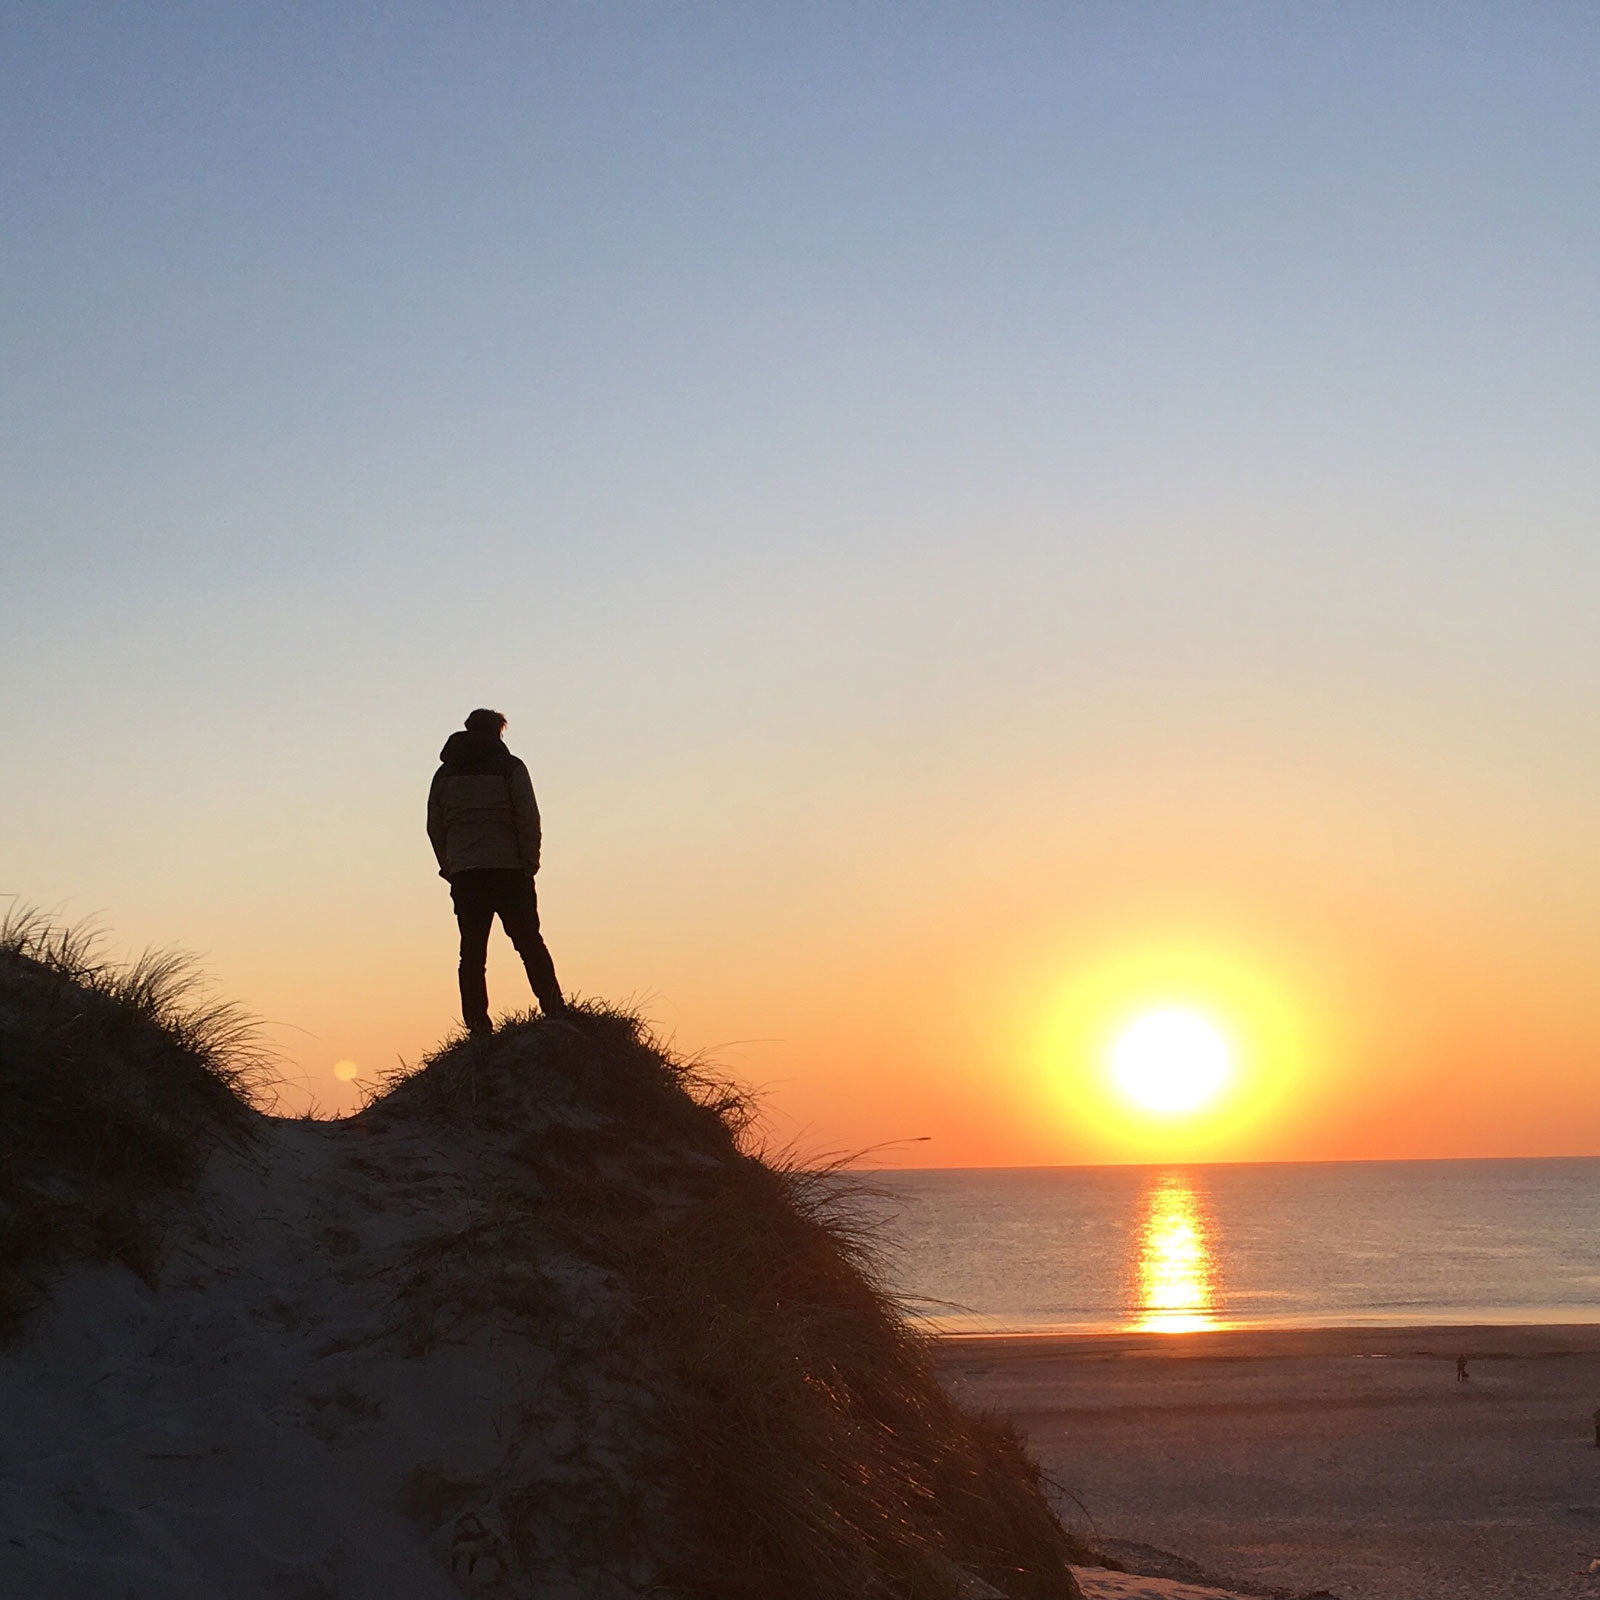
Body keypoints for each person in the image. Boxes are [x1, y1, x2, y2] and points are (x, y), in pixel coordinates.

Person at [427, 708, 564, 1033]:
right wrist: (530, 862)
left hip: (467, 874)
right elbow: (528, 817)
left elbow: (435, 826)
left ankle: (478, 1027)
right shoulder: (511, 767)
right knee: (530, 944)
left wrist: (450, 865)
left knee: (472, 954)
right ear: (498, 732)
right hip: (509, 870)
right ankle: (556, 1011)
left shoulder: (443, 775)